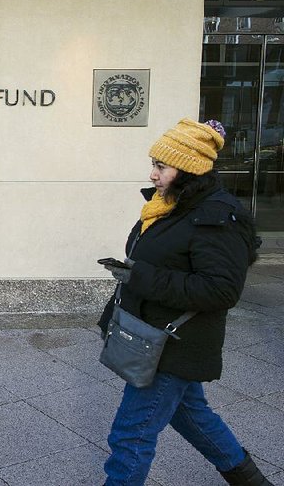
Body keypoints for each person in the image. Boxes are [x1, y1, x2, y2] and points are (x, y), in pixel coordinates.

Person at [98, 118, 270, 485]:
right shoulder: (169, 207)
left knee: (130, 434)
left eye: (161, 166)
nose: (153, 174)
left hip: (174, 344)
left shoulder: (218, 217)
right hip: (155, 334)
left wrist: (141, 276)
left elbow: (221, 290)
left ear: (188, 169)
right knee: (192, 415)